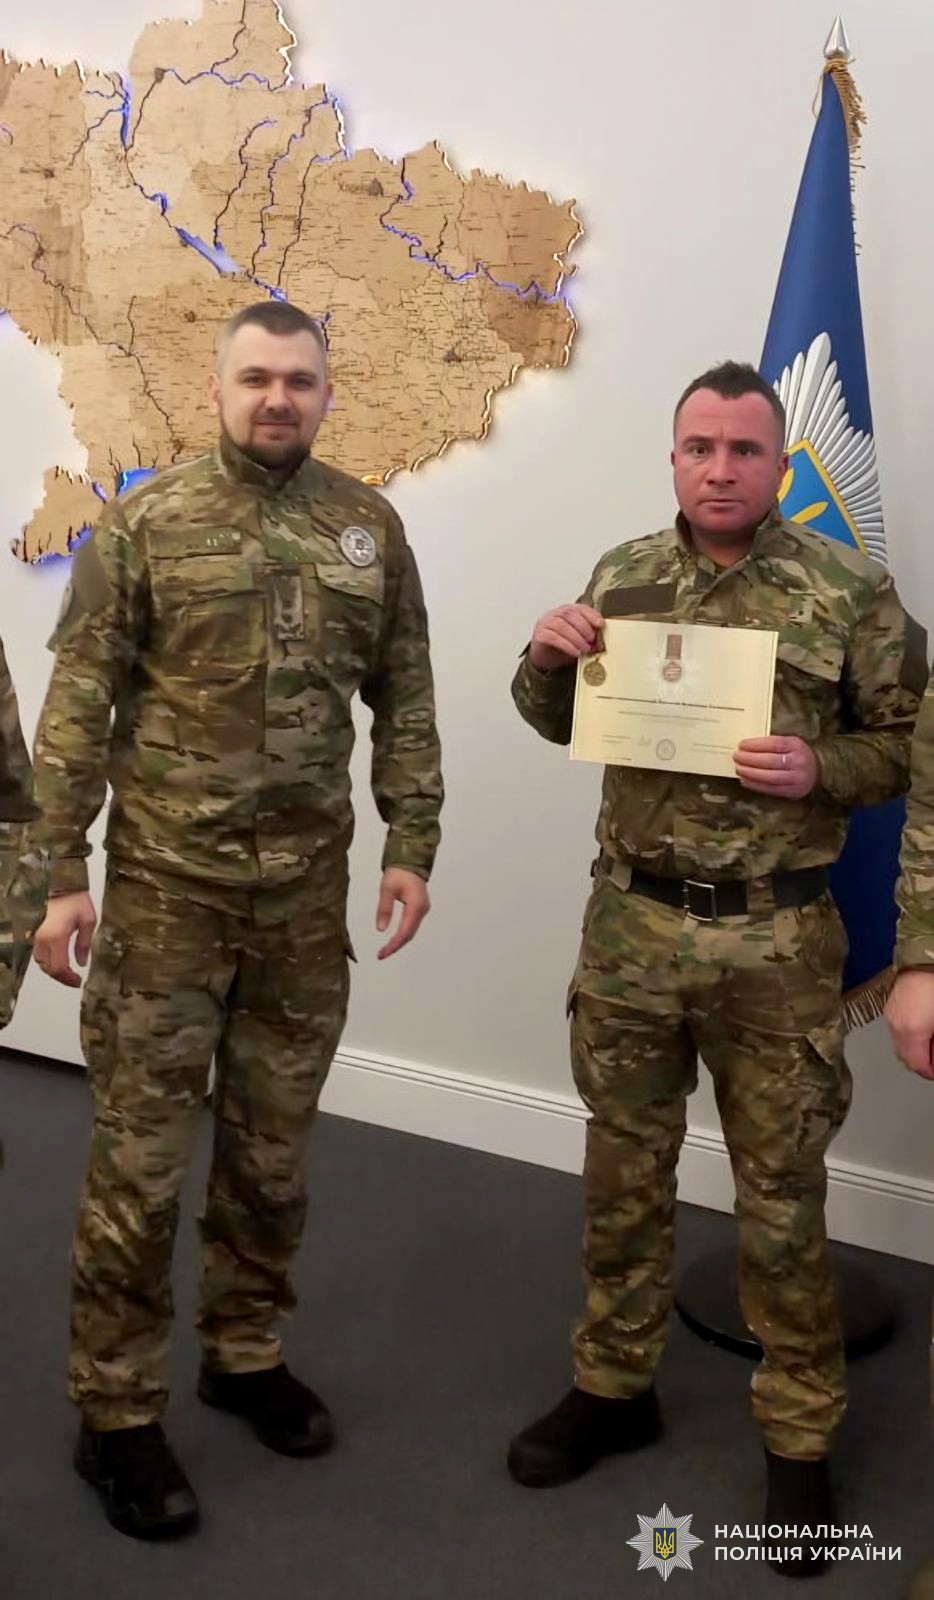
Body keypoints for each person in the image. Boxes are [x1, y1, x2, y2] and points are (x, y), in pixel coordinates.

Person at [31, 299, 443, 1541]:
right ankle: (115, 1412)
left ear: (325, 394)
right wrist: (57, 870)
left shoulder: (368, 530)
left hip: (304, 908)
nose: (277, 398)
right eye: (256, 377)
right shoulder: (144, 524)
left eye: (298, 380)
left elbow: (406, 696)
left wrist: (412, 842)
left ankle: (244, 1350)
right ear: (216, 389)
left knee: (271, 1154)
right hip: (169, 899)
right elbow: (76, 704)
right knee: (139, 1168)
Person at [508, 361, 925, 1576]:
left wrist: (820, 769)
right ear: (673, 457)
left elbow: (908, 746)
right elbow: (556, 717)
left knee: (780, 1198)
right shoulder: (624, 575)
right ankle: (612, 1382)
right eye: (701, 447)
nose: (721, 468)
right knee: (622, 1172)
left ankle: (798, 1439)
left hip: (774, 941)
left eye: (746, 449)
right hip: (632, 928)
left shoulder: (847, 588)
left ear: (778, 464)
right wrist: (543, 658)